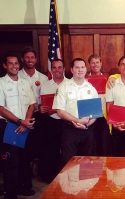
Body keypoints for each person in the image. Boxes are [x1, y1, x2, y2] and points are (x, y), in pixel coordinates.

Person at [0, 54, 36, 199]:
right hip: (8, 127)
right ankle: (11, 193)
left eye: (16, 63)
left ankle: (24, 187)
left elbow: (32, 104)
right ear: (4, 65)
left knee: (24, 160)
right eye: (10, 63)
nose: (14, 66)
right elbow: (0, 108)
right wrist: (19, 121)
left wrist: (26, 121)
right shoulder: (1, 83)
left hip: (24, 126)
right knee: (10, 162)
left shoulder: (25, 83)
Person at [52, 58, 98, 167]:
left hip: (87, 130)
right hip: (70, 130)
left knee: (87, 164)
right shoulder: (63, 87)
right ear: (72, 70)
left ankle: (84, 185)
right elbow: (59, 111)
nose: (80, 70)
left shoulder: (91, 88)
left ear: (86, 69)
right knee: (68, 164)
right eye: (77, 67)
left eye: (82, 67)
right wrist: (77, 121)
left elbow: (96, 113)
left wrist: (86, 124)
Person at [38, 59, 69, 183]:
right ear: (51, 70)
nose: (57, 70)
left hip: (66, 121)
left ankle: (66, 174)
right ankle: (50, 176)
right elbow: (42, 103)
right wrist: (42, 108)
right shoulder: (45, 85)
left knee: (66, 149)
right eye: (54, 67)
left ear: (64, 69)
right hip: (51, 121)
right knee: (51, 150)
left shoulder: (70, 83)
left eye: (59, 67)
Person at [18, 46, 48, 163]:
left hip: (39, 115)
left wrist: (42, 106)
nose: (30, 60)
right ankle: (25, 173)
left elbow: (45, 98)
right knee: (23, 145)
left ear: (36, 59)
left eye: (32, 58)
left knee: (39, 143)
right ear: (22, 59)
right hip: (21, 116)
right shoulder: (17, 76)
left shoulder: (43, 78)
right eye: (27, 57)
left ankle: (38, 169)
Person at [87, 54, 111, 156]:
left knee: (105, 146)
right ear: (89, 64)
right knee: (92, 146)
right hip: (89, 117)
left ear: (101, 64)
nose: (95, 65)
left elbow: (118, 77)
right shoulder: (84, 79)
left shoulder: (108, 78)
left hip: (104, 116)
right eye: (92, 62)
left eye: (97, 62)